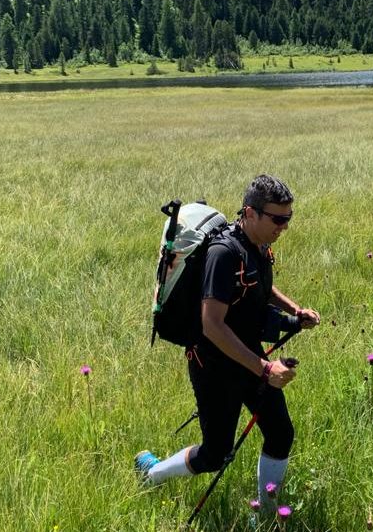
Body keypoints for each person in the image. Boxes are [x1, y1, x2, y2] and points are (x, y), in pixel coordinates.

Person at [135, 174, 321, 517]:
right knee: (214, 454)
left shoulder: (258, 246)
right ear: (250, 214)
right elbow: (212, 325)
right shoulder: (223, 254)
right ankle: (152, 473)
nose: (284, 226)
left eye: (288, 218)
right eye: (277, 219)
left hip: (246, 352)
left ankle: (266, 515)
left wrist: (294, 310)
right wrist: (265, 368)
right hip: (214, 364)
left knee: (280, 432)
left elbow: (258, 287)